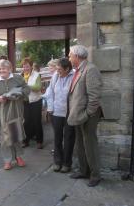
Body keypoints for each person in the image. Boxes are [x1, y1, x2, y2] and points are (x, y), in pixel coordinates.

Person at [67, 45, 103, 187]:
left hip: (88, 114)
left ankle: (95, 175)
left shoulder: (91, 69)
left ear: (77, 56)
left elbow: (94, 97)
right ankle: (83, 171)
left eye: (70, 55)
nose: (69, 58)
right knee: (80, 144)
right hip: (78, 113)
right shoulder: (79, 69)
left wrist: (88, 113)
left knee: (90, 144)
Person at [0, 59, 30, 170]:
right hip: (2, 113)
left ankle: (18, 156)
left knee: (16, 134)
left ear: (10, 69)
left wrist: (18, 93)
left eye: (4, 68)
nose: (1, 70)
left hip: (15, 111)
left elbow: (27, 88)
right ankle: (7, 160)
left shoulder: (17, 78)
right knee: (4, 137)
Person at [44, 58, 75, 173]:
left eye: (60, 69)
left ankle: (67, 163)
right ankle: (57, 162)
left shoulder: (74, 76)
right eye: (57, 69)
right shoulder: (55, 76)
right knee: (57, 138)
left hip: (69, 113)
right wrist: (50, 108)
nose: (57, 71)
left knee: (69, 138)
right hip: (56, 112)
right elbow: (50, 93)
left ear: (67, 69)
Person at [21, 57, 44, 149]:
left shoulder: (37, 75)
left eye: (27, 66)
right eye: (24, 67)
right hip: (25, 101)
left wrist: (27, 85)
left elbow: (38, 87)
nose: (25, 68)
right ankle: (26, 140)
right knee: (26, 122)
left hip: (36, 101)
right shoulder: (21, 75)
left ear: (31, 66)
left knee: (37, 121)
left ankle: (39, 141)